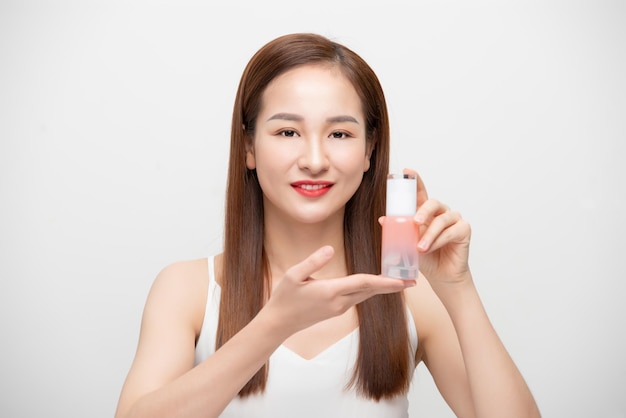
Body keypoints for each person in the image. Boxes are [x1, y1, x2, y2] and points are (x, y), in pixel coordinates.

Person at [114, 33, 541, 418]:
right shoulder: (188, 289)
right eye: (287, 132)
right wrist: (272, 326)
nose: (315, 160)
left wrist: (458, 289)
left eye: (339, 134)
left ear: (370, 149)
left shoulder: (409, 294)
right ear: (248, 147)